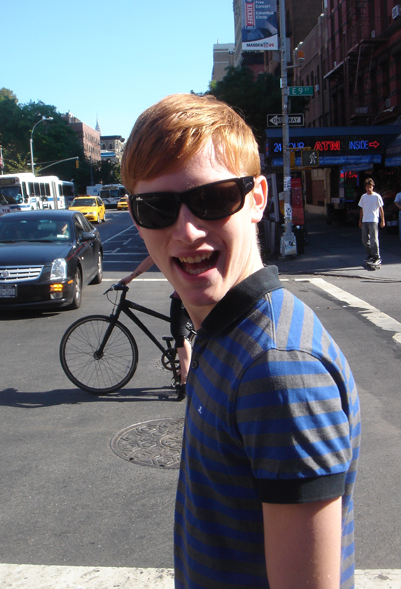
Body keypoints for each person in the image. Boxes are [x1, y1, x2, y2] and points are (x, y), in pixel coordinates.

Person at [121, 93, 361, 589]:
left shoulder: (278, 370)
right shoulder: (227, 332)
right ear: (136, 218)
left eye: (213, 199)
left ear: (257, 199)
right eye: (157, 208)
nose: (186, 230)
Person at [118, 255, 192, 401]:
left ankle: (185, 381)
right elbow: (152, 257)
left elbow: (152, 258)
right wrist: (131, 277)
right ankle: (183, 370)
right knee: (177, 331)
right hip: (181, 293)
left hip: (188, 294)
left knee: (179, 334)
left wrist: (131, 277)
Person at [358, 178, 385, 266]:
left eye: (370, 187)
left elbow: (381, 209)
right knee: (365, 240)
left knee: (374, 239)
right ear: (365, 187)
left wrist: (382, 220)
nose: (369, 189)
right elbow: (362, 209)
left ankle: (377, 257)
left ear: (373, 187)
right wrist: (360, 220)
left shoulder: (377, 196)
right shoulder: (363, 197)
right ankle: (371, 254)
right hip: (365, 220)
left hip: (373, 220)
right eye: (367, 187)